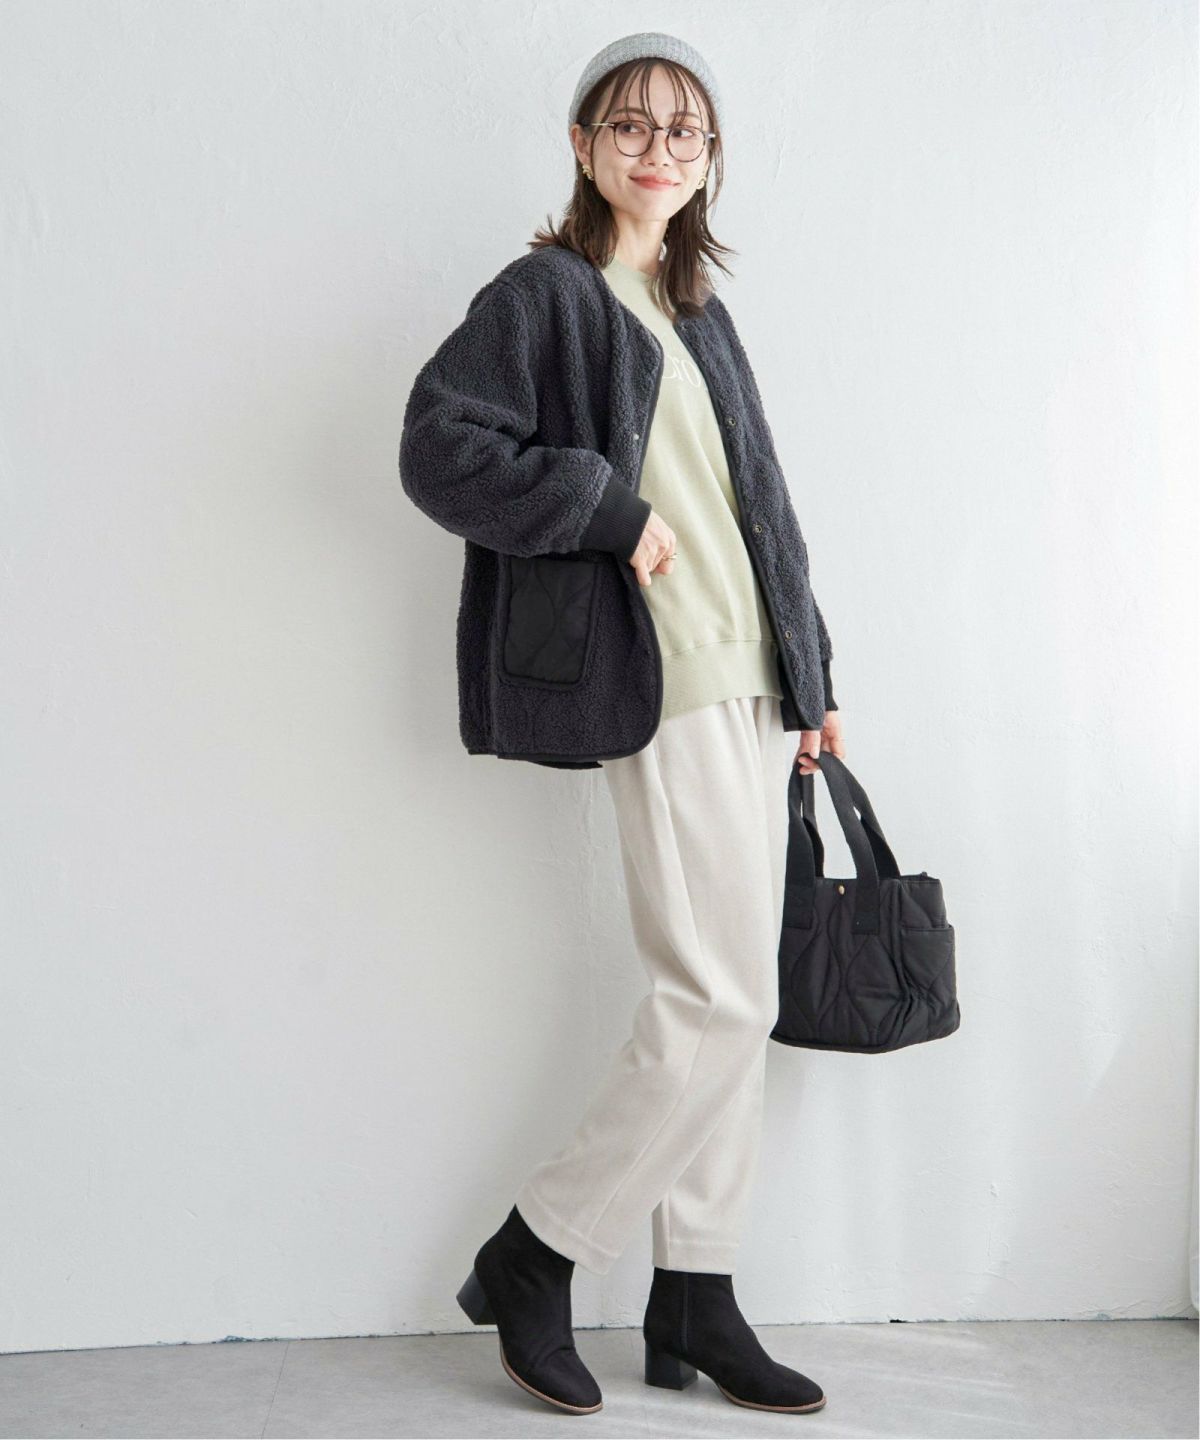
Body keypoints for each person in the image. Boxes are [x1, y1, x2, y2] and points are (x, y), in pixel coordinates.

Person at [400, 31, 844, 1418]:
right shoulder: (547, 295)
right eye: (632, 124)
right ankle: (536, 1253)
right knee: (718, 995)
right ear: (585, 145)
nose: (660, 149)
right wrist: (603, 509)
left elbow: (761, 504)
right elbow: (438, 445)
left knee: (736, 998)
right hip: (661, 678)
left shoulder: (696, 308)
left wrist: (812, 674)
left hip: (750, 679)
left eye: (685, 131)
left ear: (712, 162)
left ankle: (696, 1291)